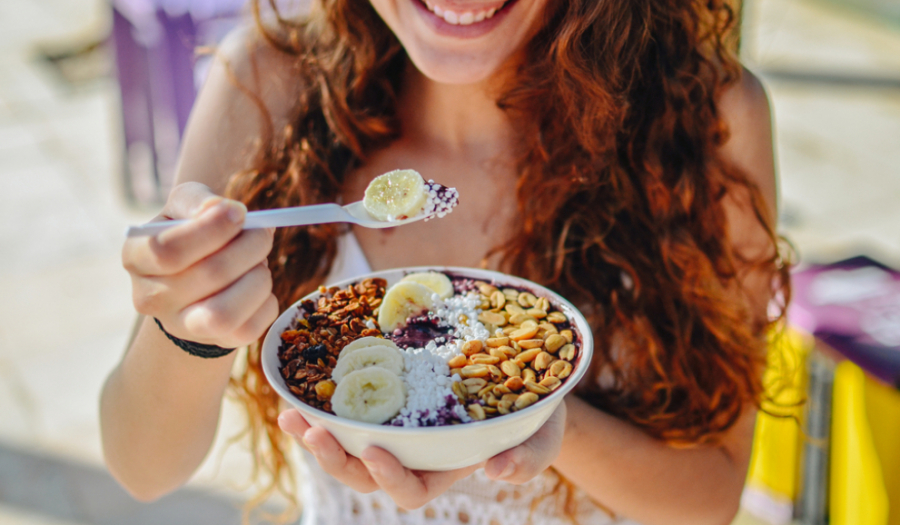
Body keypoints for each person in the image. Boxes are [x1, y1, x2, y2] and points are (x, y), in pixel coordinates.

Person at [101, 0, 791, 524]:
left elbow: (710, 496)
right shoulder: (268, 82)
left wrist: (541, 419)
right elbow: (143, 466)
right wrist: (185, 325)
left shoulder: (707, 120)